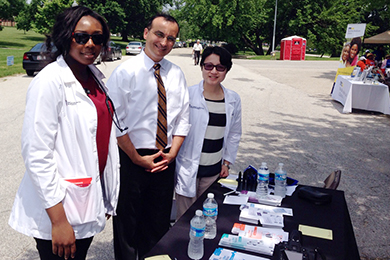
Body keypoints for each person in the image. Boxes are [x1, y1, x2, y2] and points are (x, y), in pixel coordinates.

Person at [8, 6, 120, 260]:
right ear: (65, 36)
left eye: (98, 38)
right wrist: (58, 221)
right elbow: (37, 154)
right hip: (60, 211)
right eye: (81, 37)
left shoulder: (93, 77)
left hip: (87, 199)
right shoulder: (50, 81)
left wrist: (104, 196)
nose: (90, 44)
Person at [106, 13, 190, 260]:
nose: (164, 42)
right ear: (146, 33)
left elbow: (183, 118)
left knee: (158, 224)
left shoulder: (176, 74)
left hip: (165, 156)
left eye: (171, 38)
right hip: (131, 157)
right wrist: (135, 157)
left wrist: (173, 152)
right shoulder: (125, 72)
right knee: (128, 226)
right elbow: (115, 121)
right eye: (159, 34)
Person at [175, 46, 242, 219]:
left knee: (208, 219)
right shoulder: (188, 95)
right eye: (208, 66)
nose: (213, 71)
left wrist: (227, 163)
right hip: (188, 169)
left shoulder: (233, 99)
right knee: (184, 220)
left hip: (213, 172)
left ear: (227, 70)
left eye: (220, 67)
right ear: (202, 66)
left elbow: (234, 133)